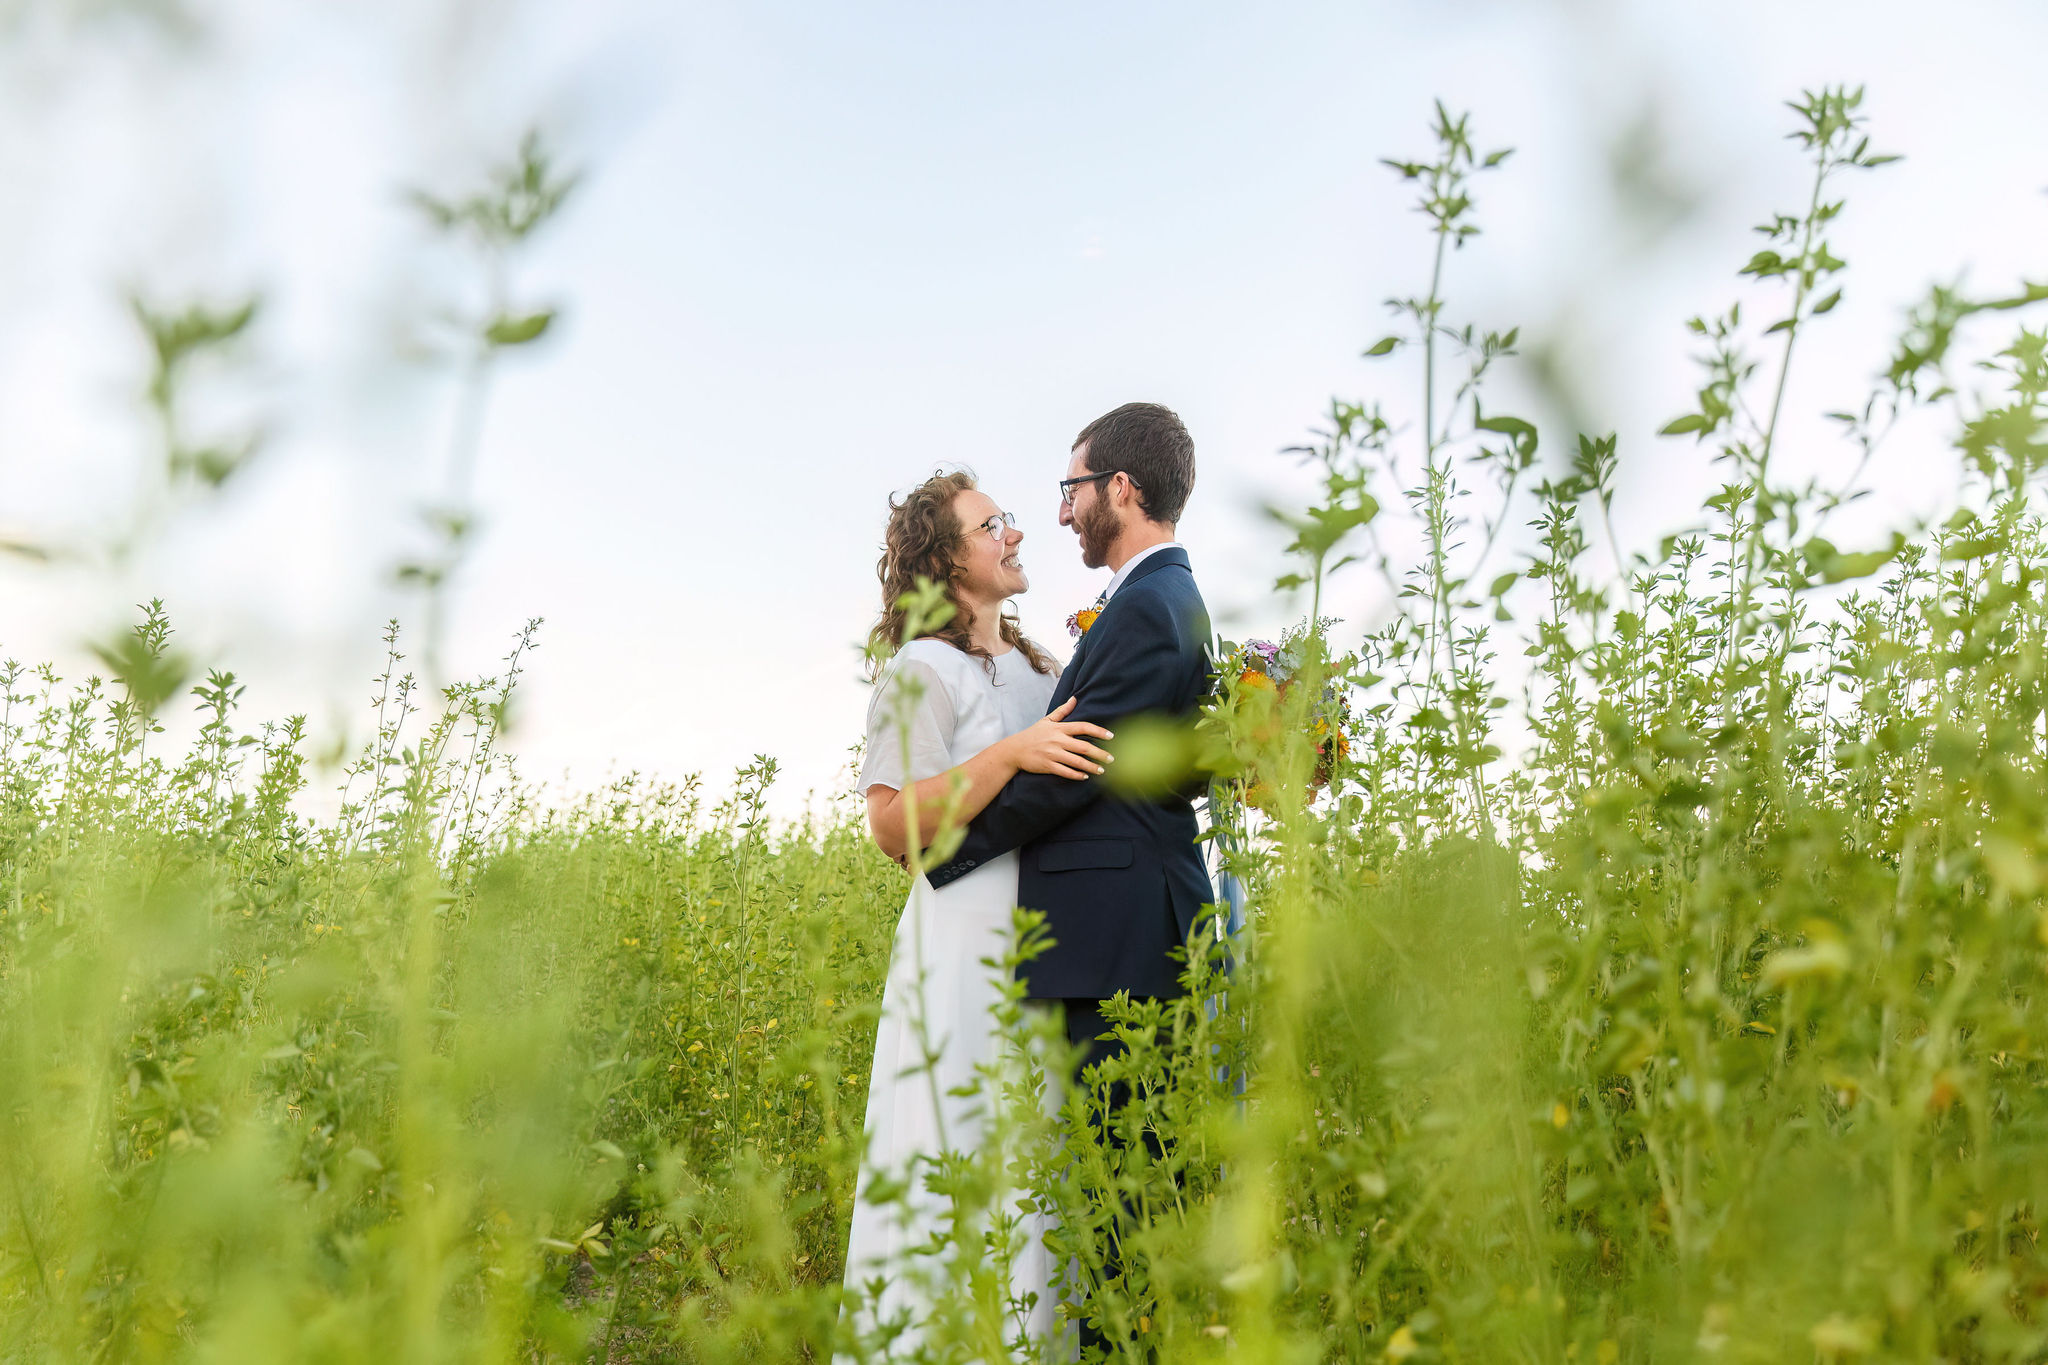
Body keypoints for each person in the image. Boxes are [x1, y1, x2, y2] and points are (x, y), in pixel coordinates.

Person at [923, 402, 1216, 1357]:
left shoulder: (1149, 605)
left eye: (1072, 489)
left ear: (1120, 490)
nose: (1060, 515)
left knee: (1125, 1204)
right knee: (1119, 1192)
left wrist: (948, 852)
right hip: (1122, 933)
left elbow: (1075, 765)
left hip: (1120, 944)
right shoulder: (1158, 602)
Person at [844, 469, 1111, 1359]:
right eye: (991, 523)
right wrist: (1009, 755)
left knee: (1033, 1175)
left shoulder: (1044, 667)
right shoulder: (923, 668)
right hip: (960, 953)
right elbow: (892, 824)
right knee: (956, 1157)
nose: (1015, 533)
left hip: (1041, 950)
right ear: (946, 559)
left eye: (1008, 519)